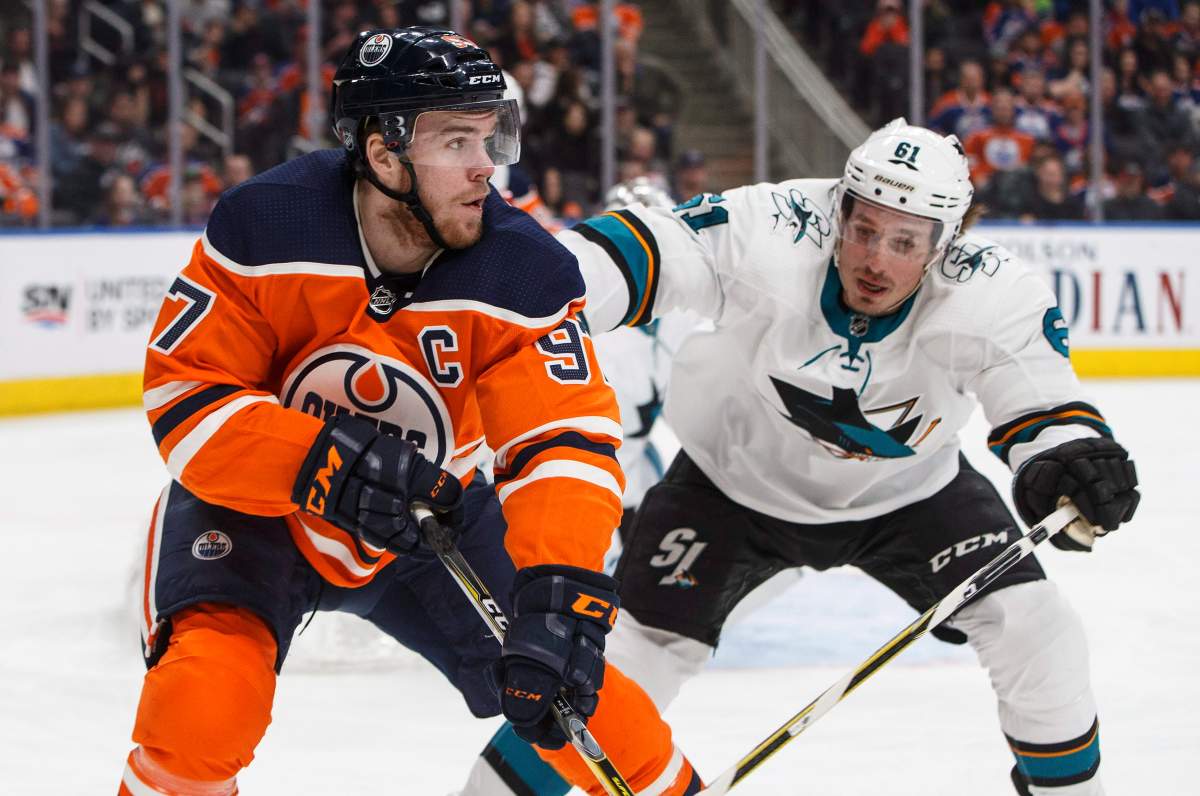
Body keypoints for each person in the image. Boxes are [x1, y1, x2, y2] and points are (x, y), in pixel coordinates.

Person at [460, 118, 1141, 795]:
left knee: (1037, 630)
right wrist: (512, 301)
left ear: (944, 245)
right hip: (729, 490)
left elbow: (1044, 404)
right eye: (864, 229)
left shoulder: (989, 289)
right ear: (838, 207)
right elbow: (644, 252)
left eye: (904, 243)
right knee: (605, 667)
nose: (875, 260)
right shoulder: (777, 224)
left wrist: (1068, 456)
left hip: (913, 497)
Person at [119, 27, 646, 796]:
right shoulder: (265, 224)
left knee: (579, 695)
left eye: (491, 133)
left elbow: (562, 439)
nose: (485, 164)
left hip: (434, 516)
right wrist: (320, 463)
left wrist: (558, 582)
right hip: (263, 508)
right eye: (456, 138)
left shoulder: (524, 269)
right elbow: (188, 395)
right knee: (198, 712)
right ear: (382, 152)